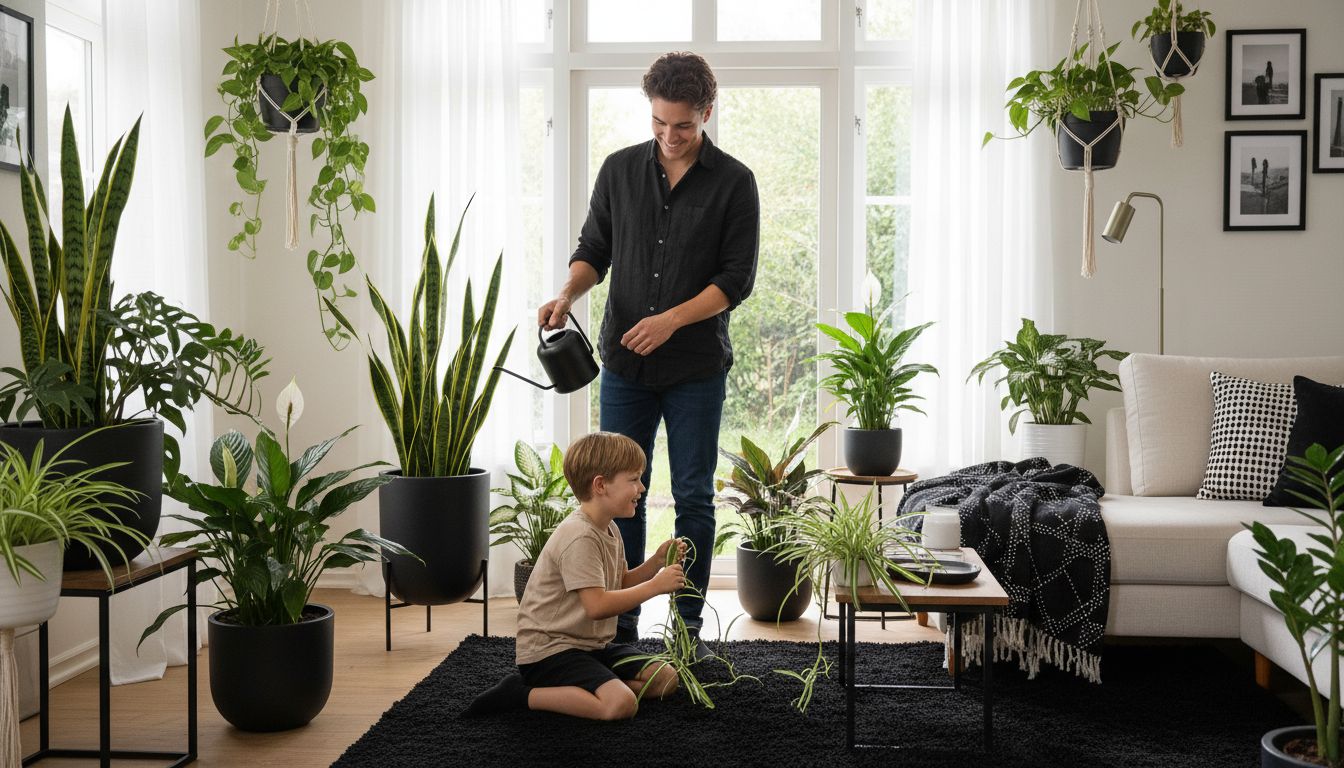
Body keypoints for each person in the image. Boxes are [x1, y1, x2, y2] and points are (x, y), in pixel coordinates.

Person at [537, 51, 760, 656]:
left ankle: (686, 629)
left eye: (682, 125)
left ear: (707, 112)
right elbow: (593, 250)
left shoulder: (735, 182)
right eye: (659, 122)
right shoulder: (618, 170)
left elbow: (736, 279)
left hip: (696, 368)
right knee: (617, 497)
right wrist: (567, 294)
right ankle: (623, 628)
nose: (669, 136)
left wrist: (670, 321)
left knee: (693, 498)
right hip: (625, 368)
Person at [462, 432, 688, 720]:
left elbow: (618, 583)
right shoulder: (579, 536)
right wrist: (655, 587)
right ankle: (520, 693)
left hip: (590, 646)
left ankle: (597, 687)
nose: (641, 487)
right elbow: (597, 606)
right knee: (620, 706)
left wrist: (655, 562)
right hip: (550, 652)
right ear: (600, 485)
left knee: (666, 678)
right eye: (634, 479)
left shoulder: (609, 528)